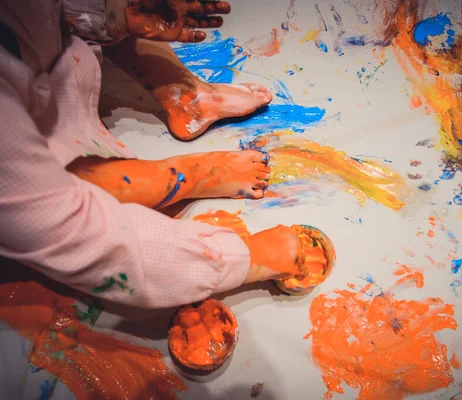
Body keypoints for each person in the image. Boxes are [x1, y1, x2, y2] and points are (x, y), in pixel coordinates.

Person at [0, 0, 314, 308]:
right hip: (35, 151)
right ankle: (192, 176)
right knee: (81, 186)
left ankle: (187, 97)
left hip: (44, 63)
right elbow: (71, 229)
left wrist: (109, 14)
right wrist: (247, 258)